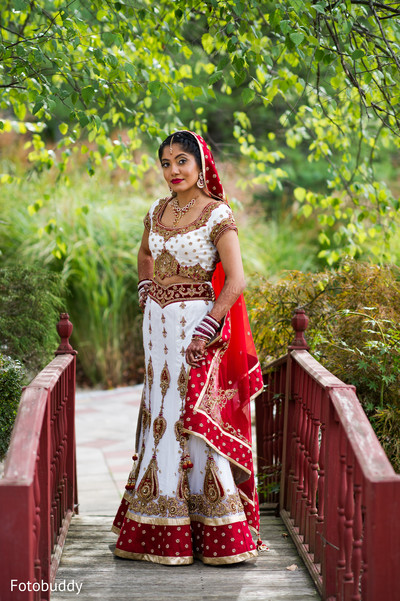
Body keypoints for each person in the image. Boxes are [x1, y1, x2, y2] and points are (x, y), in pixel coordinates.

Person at [112, 130, 265, 565]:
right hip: (156, 331)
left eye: (181, 161)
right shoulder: (156, 211)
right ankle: (157, 519)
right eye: (165, 163)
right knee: (159, 413)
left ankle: (212, 531)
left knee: (190, 417)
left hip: (194, 333)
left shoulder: (217, 214)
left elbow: (235, 281)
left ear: (200, 164)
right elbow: (144, 254)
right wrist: (146, 289)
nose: (172, 171)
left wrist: (206, 327)